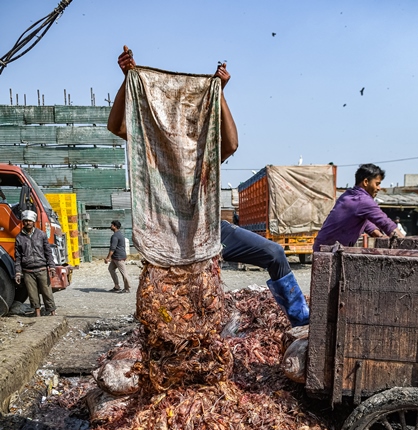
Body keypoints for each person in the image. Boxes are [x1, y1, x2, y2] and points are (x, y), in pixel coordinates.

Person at [107, 47, 309, 326]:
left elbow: (232, 143)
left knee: (274, 253)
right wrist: (127, 79)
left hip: (207, 231)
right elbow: (116, 126)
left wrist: (219, 94)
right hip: (166, 235)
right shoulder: (152, 151)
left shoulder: (201, 152)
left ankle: (301, 322)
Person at [313, 164, 405, 252]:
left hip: (324, 247)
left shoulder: (349, 195)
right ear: (365, 182)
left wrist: (379, 236)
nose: (379, 188)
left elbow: (365, 223)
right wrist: (405, 244)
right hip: (329, 250)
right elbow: (385, 222)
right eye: (377, 184)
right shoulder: (363, 200)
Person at [14, 210, 56, 317]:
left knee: (47, 292)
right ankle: (37, 313)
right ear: (23, 222)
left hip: (41, 269)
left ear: (33, 222)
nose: (28, 223)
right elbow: (18, 258)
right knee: (33, 294)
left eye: (30, 221)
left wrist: (52, 267)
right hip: (28, 271)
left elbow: (48, 252)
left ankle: (52, 312)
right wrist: (18, 273)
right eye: (26, 221)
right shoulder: (19, 238)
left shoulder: (41, 235)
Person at [104, 220, 131, 293]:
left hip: (119, 257)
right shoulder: (120, 234)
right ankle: (117, 286)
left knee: (124, 273)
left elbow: (112, 248)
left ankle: (127, 288)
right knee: (111, 269)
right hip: (116, 257)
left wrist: (107, 258)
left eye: (112, 225)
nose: (110, 226)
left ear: (115, 226)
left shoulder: (115, 236)